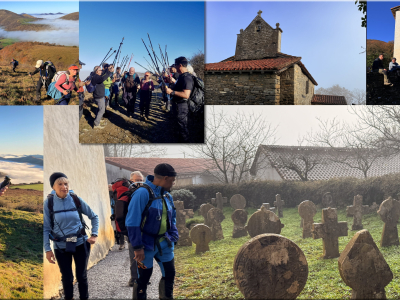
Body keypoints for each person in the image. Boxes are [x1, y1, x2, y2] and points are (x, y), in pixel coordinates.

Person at [126, 164, 179, 300]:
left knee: (169, 275)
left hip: (165, 243)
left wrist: (173, 235)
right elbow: (132, 222)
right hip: (145, 245)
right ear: (165, 178)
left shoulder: (167, 195)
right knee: (143, 279)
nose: (173, 184)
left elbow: (172, 218)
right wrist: (137, 247)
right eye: (172, 180)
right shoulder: (142, 193)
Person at [43, 172, 99, 300]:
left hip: (81, 243)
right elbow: (46, 228)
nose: (64, 187)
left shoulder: (75, 199)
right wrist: (47, 249)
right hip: (60, 246)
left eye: (66, 184)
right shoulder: (49, 203)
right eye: (60, 184)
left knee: (82, 275)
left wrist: (94, 234)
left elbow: (94, 217)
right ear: (53, 187)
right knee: (67, 277)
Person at [165, 57, 194, 143]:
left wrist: (172, 92)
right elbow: (180, 87)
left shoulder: (187, 77)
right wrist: (173, 83)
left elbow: (186, 95)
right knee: (178, 126)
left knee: (182, 127)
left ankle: (185, 144)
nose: (175, 67)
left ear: (180, 65)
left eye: (176, 65)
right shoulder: (181, 76)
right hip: (177, 105)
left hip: (182, 107)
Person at [90, 64, 114, 129]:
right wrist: (109, 71)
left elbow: (103, 73)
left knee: (100, 108)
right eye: (100, 70)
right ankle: (96, 123)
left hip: (100, 95)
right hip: (99, 96)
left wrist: (108, 69)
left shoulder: (96, 75)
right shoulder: (96, 77)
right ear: (97, 71)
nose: (101, 71)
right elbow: (103, 78)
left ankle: (97, 119)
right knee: (102, 110)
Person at [109, 184, 125, 250]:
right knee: (117, 229)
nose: (108, 188)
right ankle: (119, 242)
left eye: (109, 187)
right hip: (113, 214)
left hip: (119, 214)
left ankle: (122, 243)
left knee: (121, 229)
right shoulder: (110, 195)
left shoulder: (117, 194)